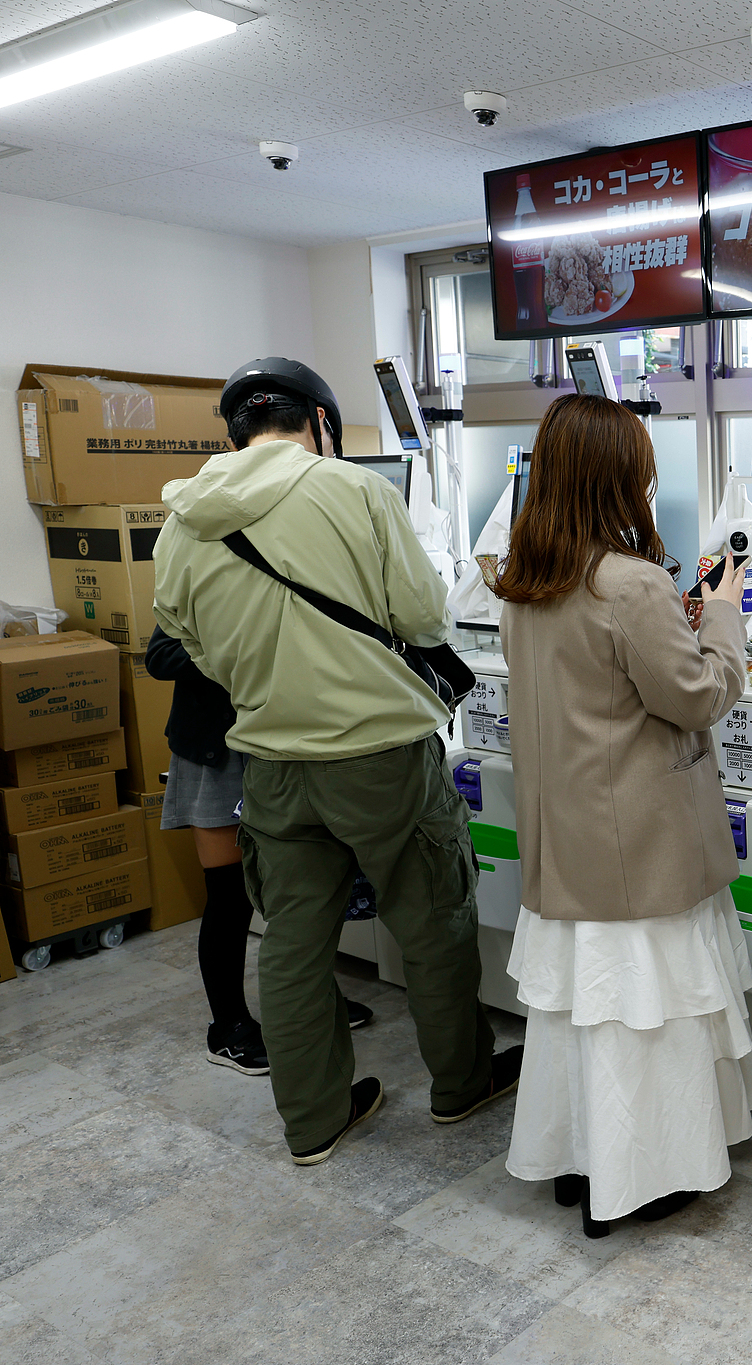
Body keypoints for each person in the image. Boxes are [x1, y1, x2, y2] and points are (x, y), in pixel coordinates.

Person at [152, 357, 517, 1167]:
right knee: (433, 920)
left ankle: (313, 1119)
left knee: (290, 941)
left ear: (237, 430)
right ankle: (461, 1082)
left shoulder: (182, 520)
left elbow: (189, 640)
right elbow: (425, 617)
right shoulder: (358, 493)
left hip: (272, 763)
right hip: (381, 754)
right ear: (320, 422)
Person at [493, 394, 752, 1239]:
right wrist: (724, 612)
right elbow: (697, 695)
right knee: (649, 1021)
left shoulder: (525, 577)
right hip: (639, 846)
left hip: (565, 844)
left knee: (583, 1021)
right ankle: (647, 1170)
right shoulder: (633, 581)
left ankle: (585, 1157)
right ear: (621, 477)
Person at [144, 625, 373, 1076]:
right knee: (229, 892)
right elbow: (161, 656)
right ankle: (227, 1028)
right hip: (219, 752)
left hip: (282, 745)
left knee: (303, 883)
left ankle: (311, 1001)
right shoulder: (200, 567)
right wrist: (243, 654)